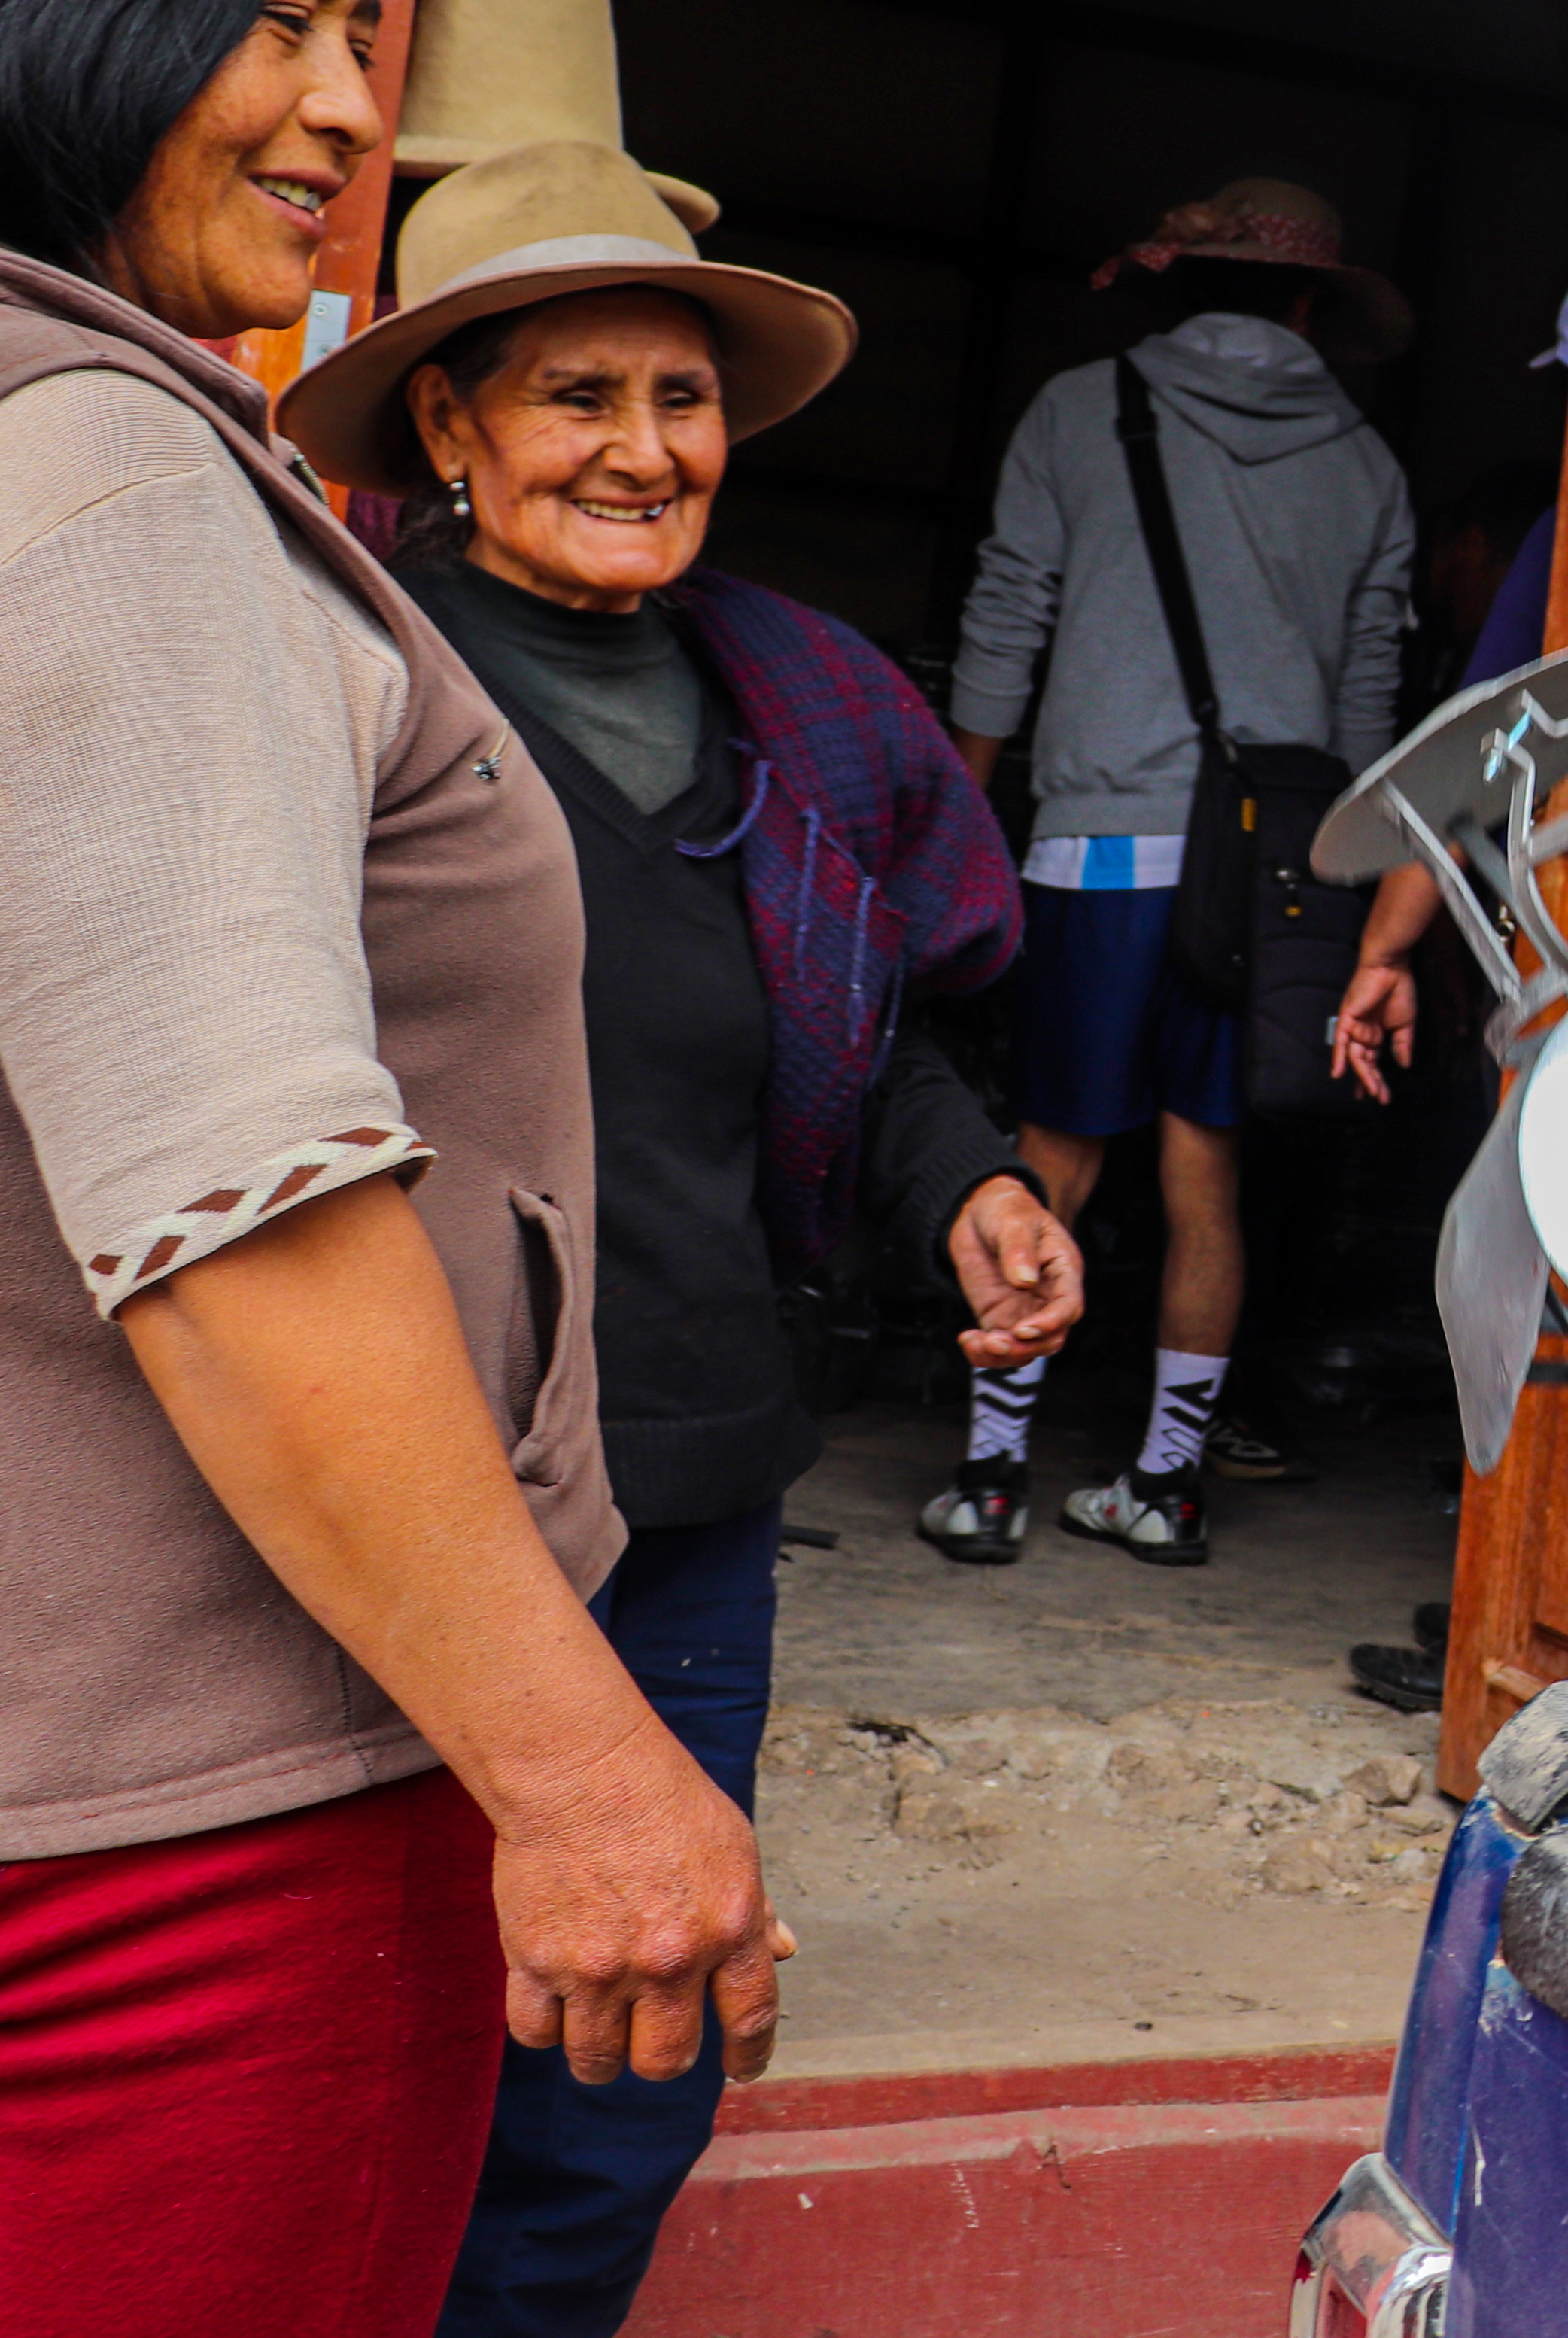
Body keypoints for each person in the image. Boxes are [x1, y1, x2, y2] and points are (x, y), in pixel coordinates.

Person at [0, 0, 776, 2327]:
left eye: (366, 38)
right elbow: (241, 1211)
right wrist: (582, 1773)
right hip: (187, 1831)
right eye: (285, 14)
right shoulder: (109, 482)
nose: (340, 102)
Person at [273, 140, 1089, 2336]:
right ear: (449, 426)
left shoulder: (794, 698)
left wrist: (970, 1182)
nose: (645, 452)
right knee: (352, 2039)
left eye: (681, 399)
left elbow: (862, 1021)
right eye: (577, 398)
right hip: (389, 1482)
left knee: (625, 2066)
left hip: (693, 1485)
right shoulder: (334, 679)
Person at [936, 179, 1415, 1568]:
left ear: (1178, 285)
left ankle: (990, 1475)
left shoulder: (1081, 412)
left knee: (1055, 1162)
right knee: (1209, 1177)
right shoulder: (1370, 468)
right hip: (1275, 881)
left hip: (1095, 853)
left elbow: (1008, 611)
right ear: (1312, 306)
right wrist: (1354, 893)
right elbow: (1371, 709)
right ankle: (1165, 1485)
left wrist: (959, 799)